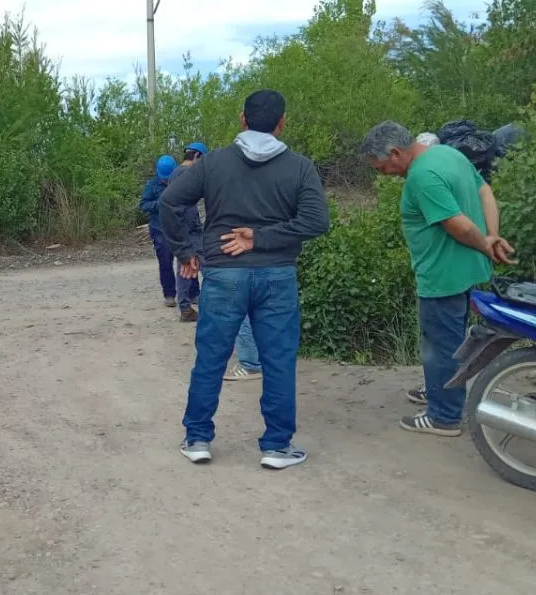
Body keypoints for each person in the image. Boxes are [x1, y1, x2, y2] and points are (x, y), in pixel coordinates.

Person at [159, 89, 330, 470]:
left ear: (242, 119)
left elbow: (170, 202)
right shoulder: (300, 167)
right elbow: (317, 222)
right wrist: (263, 237)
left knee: (211, 357)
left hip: (223, 276)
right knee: (279, 361)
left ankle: (198, 439)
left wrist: (186, 252)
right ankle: (276, 447)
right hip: (278, 276)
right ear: (282, 123)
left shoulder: (213, 163)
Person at [359, 121, 515, 436]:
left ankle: (443, 416)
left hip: (442, 275)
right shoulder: (446, 153)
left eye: (381, 167)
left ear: (395, 152)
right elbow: (484, 190)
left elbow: (457, 225)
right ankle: (439, 390)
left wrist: (485, 242)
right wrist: (492, 235)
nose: (384, 174)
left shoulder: (421, 177)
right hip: (465, 270)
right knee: (453, 341)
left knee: (440, 346)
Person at [170, 143, 208, 321]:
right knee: (205, 264)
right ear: (197, 156)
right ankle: (207, 304)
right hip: (189, 228)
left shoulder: (175, 173)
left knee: (185, 265)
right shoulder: (188, 174)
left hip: (179, 227)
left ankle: (186, 305)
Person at [138, 154, 180, 309]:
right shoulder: (151, 185)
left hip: (179, 227)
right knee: (165, 263)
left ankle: (192, 293)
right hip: (159, 229)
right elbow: (144, 205)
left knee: (187, 260)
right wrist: (160, 204)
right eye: (163, 178)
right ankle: (169, 295)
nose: (165, 180)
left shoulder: (180, 182)